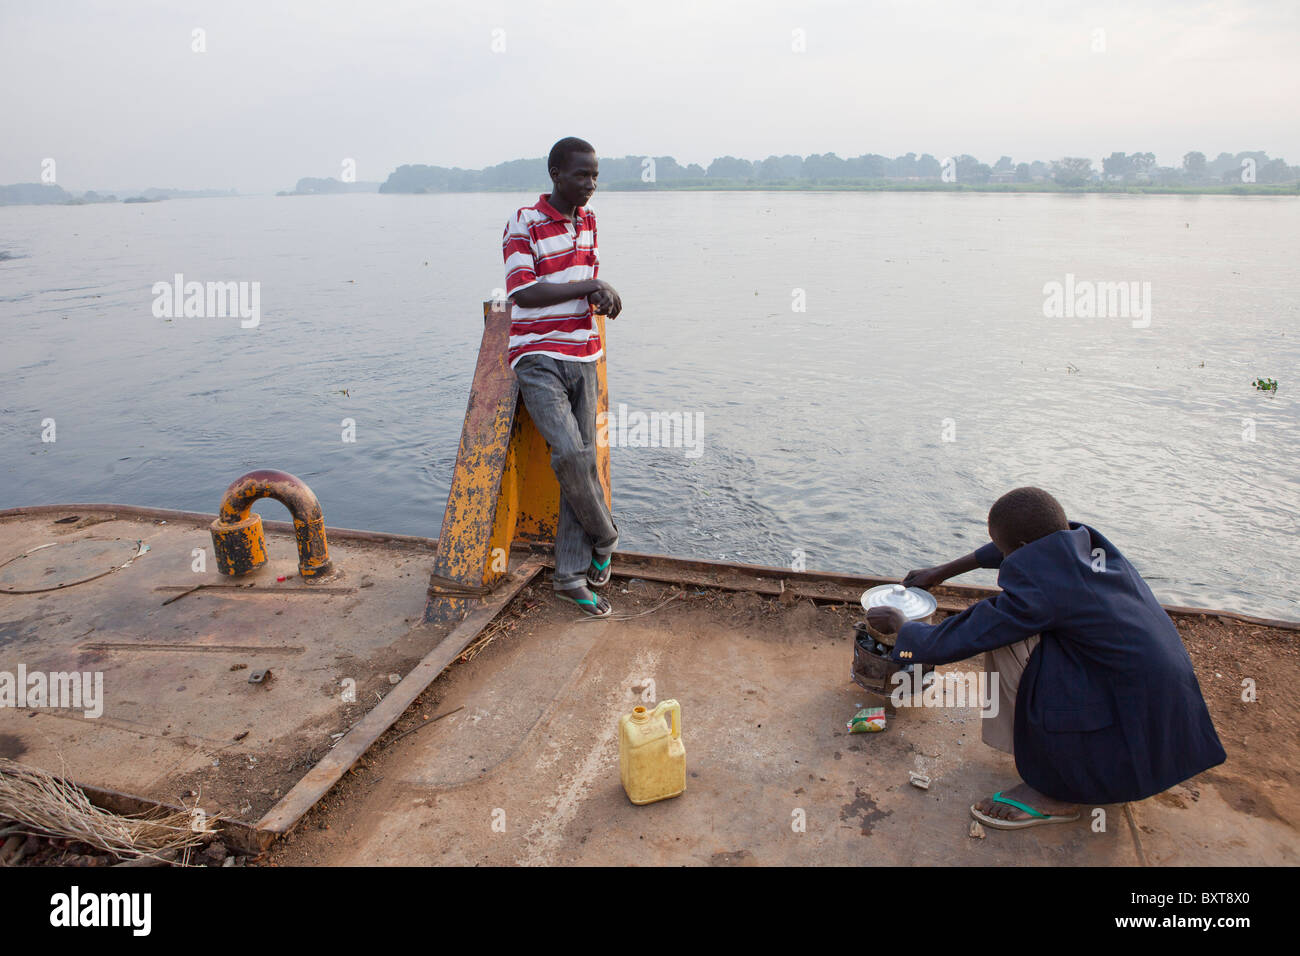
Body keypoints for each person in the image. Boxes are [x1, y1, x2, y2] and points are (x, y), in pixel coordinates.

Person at [866, 486, 1226, 830]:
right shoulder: (1084, 544)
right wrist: (943, 572)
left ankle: (1056, 793)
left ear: (1021, 547)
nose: (1002, 557)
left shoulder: (1044, 592)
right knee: (1022, 642)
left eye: (1005, 550)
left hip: (1130, 722)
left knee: (1011, 647)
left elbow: (967, 634)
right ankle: (1055, 755)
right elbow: (1009, 548)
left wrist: (903, 626)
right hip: (1160, 722)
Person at [502, 137, 622, 617]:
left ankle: (570, 577)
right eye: (580, 175)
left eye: (594, 176)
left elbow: (578, 282)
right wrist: (592, 284)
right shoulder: (524, 222)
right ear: (555, 173)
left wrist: (599, 299)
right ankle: (606, 535)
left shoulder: (588, 220)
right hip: (537, 356)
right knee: (570, 453)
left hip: (583, 354)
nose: (590, 185)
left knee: (583, 461)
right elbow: (524, 293)